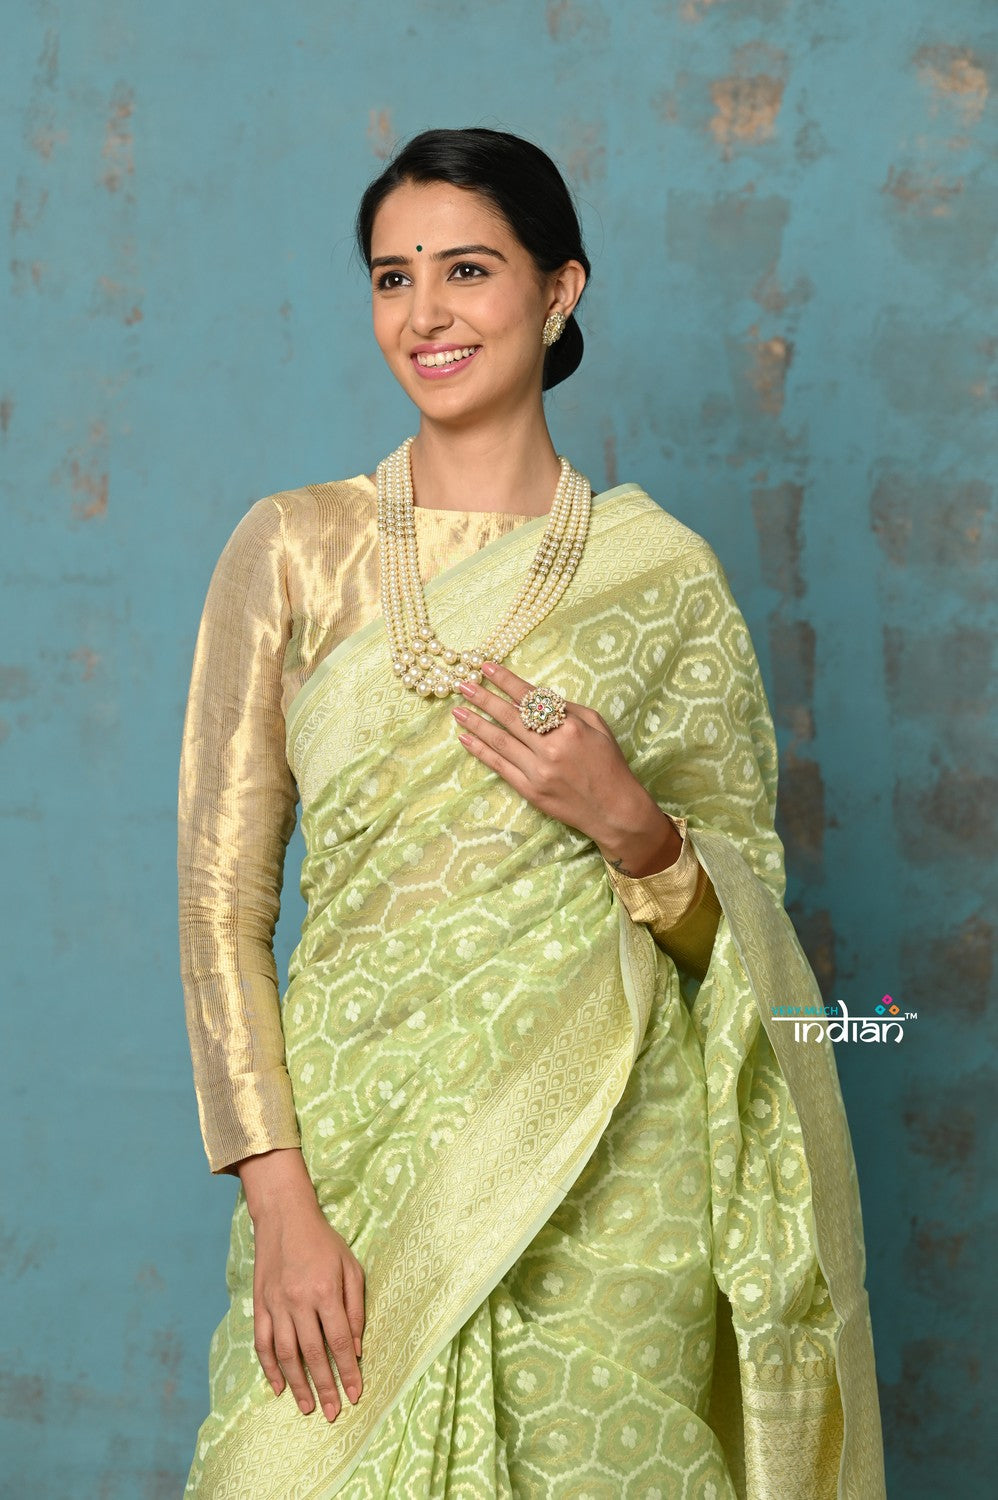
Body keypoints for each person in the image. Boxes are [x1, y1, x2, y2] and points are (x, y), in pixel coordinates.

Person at [178, 127, 886, 1498]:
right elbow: (220, 910)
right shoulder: (294, 550)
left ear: (558, 290)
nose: (425, 314)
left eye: (467, 269)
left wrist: (634, 828)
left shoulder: (662, 579)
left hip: (608, 1170)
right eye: (393, 277)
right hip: (354, 1159)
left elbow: (748, 951)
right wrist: (278, 1201)